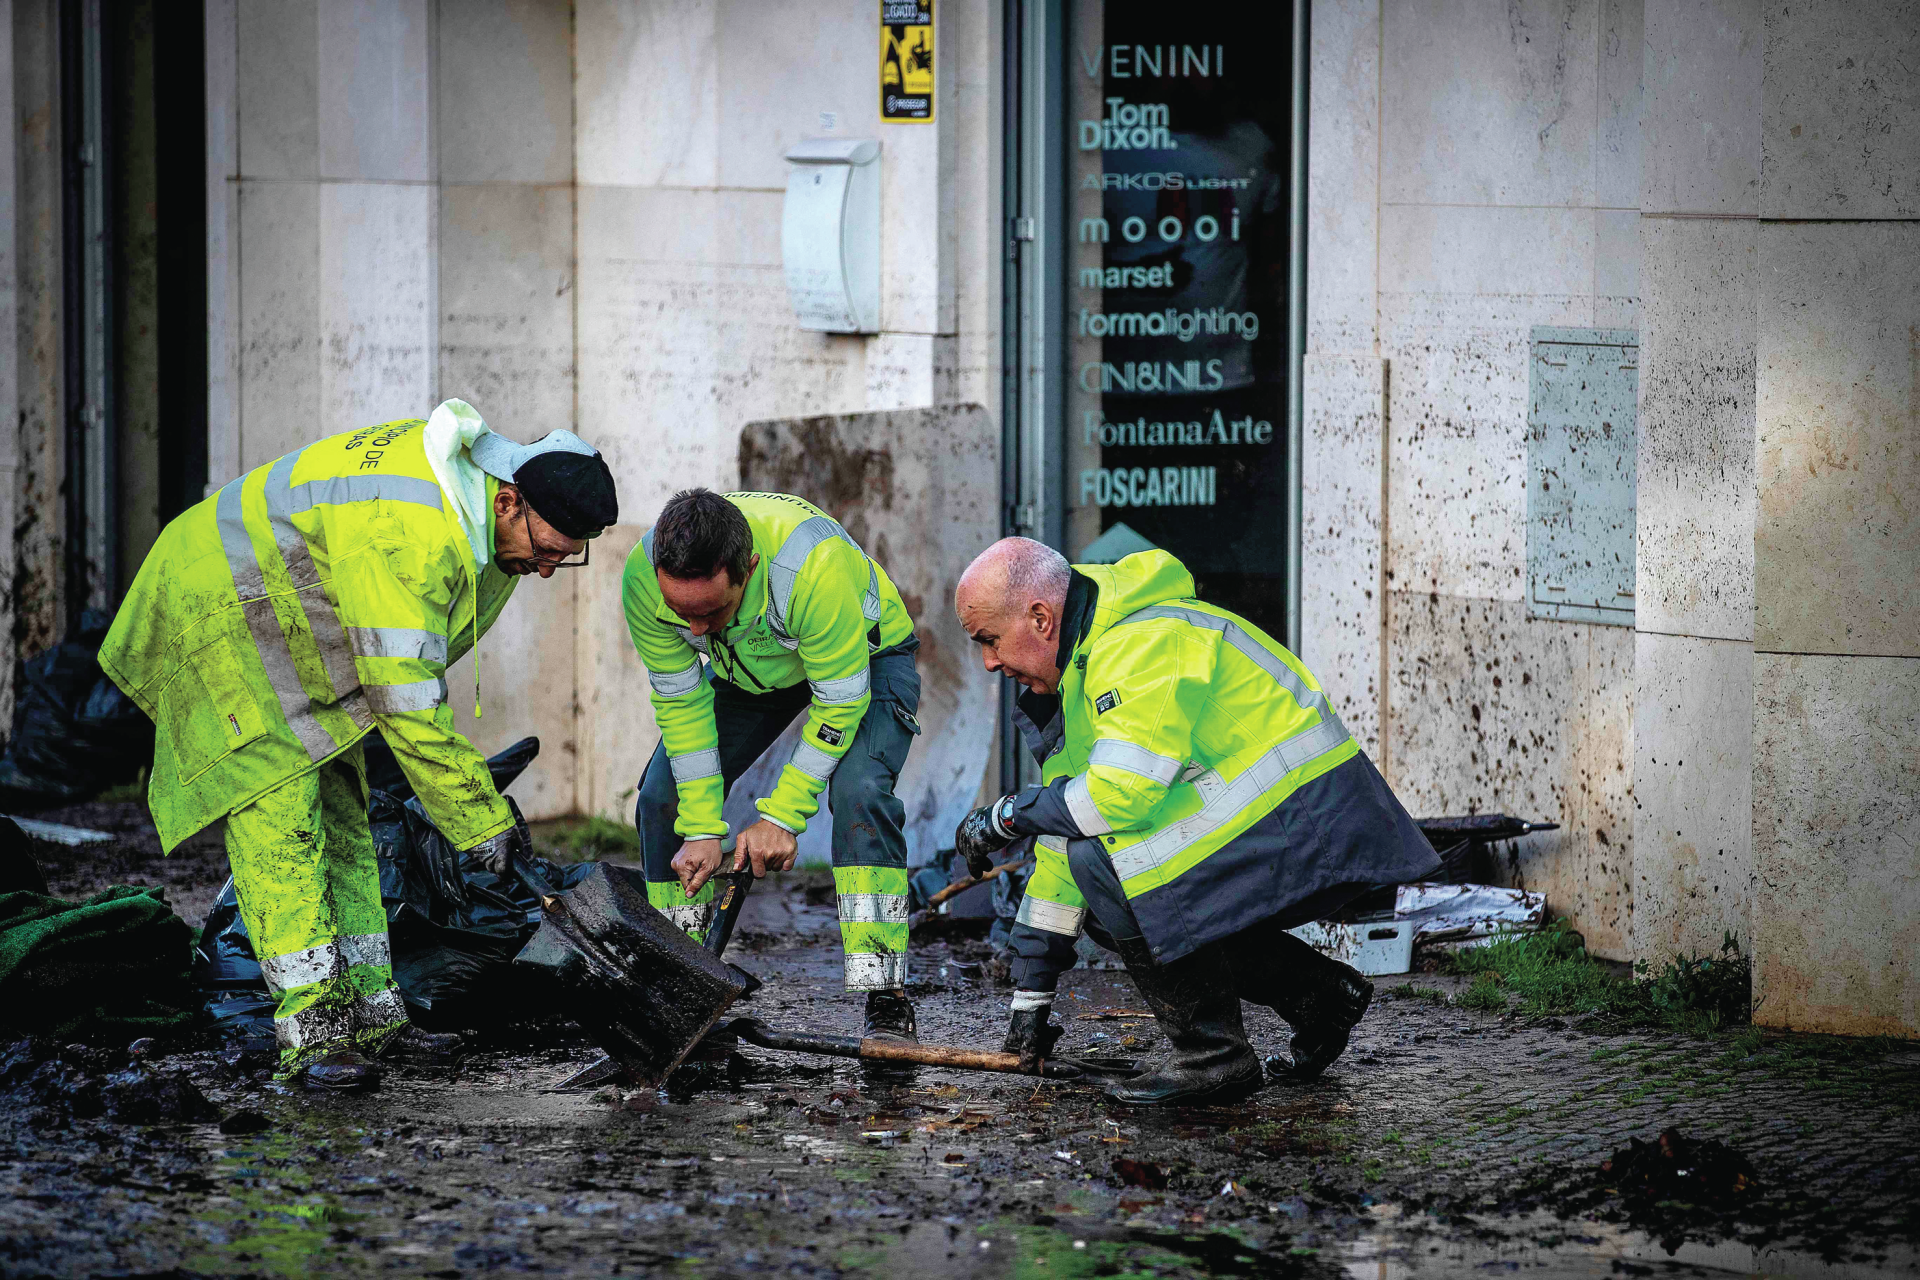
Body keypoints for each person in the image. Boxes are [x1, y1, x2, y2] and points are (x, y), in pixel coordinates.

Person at [101, 400, 618, 1092]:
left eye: (566, 558)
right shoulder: (414, 534)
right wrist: (478, 819)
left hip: (296, 631)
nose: (549, 570)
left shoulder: (475, 513)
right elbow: (407, 700)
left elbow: (409, 667)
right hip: (225, 617)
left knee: (348, 818)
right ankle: (310, 1035)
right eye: (548, 550)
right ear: (509, 501)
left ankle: (375, 1019)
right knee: (281, 823)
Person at [951, 538, 1438, 1105]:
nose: (988, 662)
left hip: (1313, 817)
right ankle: (1319, 994)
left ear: (1040, 618)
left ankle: (1214, 1058)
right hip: (1280, 817)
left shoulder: (1135, 643)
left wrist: (1009, 816)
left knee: (1112, 870)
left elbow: (1117, 803)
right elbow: (1069, 837)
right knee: (1105, 892)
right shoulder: (1082, 669)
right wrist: (1030, 1000)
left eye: (989, 640)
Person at [623, 489, 923, 1040]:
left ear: (749, 569)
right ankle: (680, 979)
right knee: (660, 797)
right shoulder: (644, 580)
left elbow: (839, 702)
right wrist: (701, 828)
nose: (693, 632)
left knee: (859, 794)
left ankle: (885, 995)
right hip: (751, 672)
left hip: (863, 662)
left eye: (710, 612)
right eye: (680, 614)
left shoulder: (812, 568)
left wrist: (782, 816)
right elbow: (682, 705)